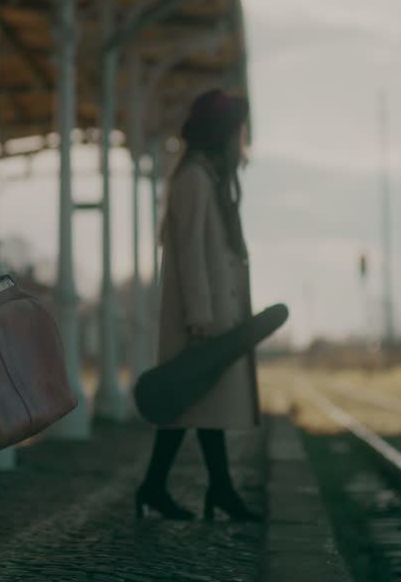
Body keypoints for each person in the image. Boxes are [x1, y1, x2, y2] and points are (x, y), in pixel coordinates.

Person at [135, 88, 264, 523]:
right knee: (186, 404)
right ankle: (200, 490)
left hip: (212, 316)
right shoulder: (194, 179)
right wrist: (200, 316)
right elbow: (189, 253)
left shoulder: (205, 176)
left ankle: (197, 489)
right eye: (238, 132)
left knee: (197, 407)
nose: (242, 141)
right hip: (201, 318)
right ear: (222, 135)